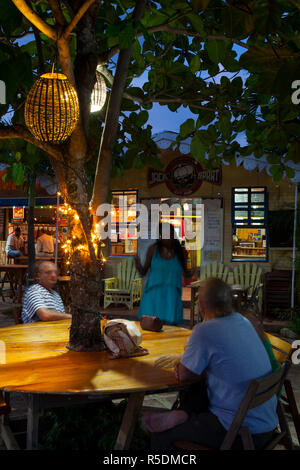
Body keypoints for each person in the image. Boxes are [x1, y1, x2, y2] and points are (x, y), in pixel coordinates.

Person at [143, 278, 279, 450]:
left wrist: (183, 364)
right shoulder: (243, 322)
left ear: (201, 304)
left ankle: (184, 415)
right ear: (230, 301)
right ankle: (185, 414)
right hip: (267, 424)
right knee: (202, 380)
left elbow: (184, 375)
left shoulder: (205, 331)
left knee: (160, 436)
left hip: (240, 432)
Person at [135, 222, 193, 325]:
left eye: (168, 234)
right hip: (153, 299)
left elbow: (187, 274)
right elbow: (143, 272)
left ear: (173, 234)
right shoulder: (153, 250)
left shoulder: (181, 252)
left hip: (172, 299)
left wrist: (193, 271)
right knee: (151, 333)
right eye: (162, 234)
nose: (165, 238)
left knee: (171, 333)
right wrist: (138, 264)